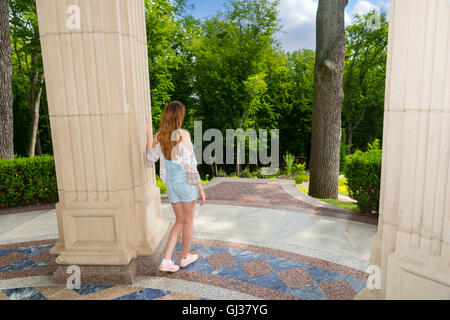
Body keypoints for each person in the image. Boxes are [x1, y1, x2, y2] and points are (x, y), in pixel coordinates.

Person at [145, 101, 206, 272]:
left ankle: (166, 261)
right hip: (186, 184)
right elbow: (190, 166)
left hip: (171, 186)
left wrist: (149, 135)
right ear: (179, 117)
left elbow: (149, 160)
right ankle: (184, 258)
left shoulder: (160, 136)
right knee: (188, 221)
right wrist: (200, 189)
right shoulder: (182, 135)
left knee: (178, 221)